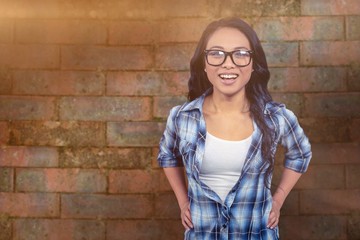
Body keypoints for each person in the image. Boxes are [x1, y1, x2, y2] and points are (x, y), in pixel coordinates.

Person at [157, 17, 312, 240]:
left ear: (252, 63)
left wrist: (277, 200)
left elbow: (301, 153)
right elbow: (168, 156)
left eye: (240, 54)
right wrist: (183, 202)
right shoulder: (182, 117)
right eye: (217, 53)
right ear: (204, 62)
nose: (228, 64)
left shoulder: (276, 117)